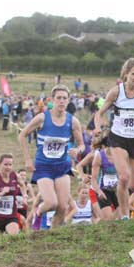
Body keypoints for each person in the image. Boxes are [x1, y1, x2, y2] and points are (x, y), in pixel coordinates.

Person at [93, 58, 134, 220]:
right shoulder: (116, 92)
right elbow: (99, 113)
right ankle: (124, 215)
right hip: (118, 138)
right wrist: (97, 127)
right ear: (126, 74)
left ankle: (130, 204)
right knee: (123, 177)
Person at [18, 85, 85, 229]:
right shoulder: (42, 118)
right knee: (51, 203)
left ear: (68, 100)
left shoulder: (73, 121)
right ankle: (38, 212)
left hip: (62, 166)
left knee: (63, 207)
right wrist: (28, 159)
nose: (61, 101)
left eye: (64, 98)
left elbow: (82, 144)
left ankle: (54, 233)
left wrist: (77, 150)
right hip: (43, 166)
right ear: (52, 100)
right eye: (58, 98)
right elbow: (22, 135)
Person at [91, 133, 120, 221]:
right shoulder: (99, 156)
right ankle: (101, 222)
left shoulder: (120, 155)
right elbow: (93, 179)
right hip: (103, 190)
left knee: (120, 216)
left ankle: (100, 222)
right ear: (107, 146)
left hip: (116, 189)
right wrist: (99, 191)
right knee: (108, 218)